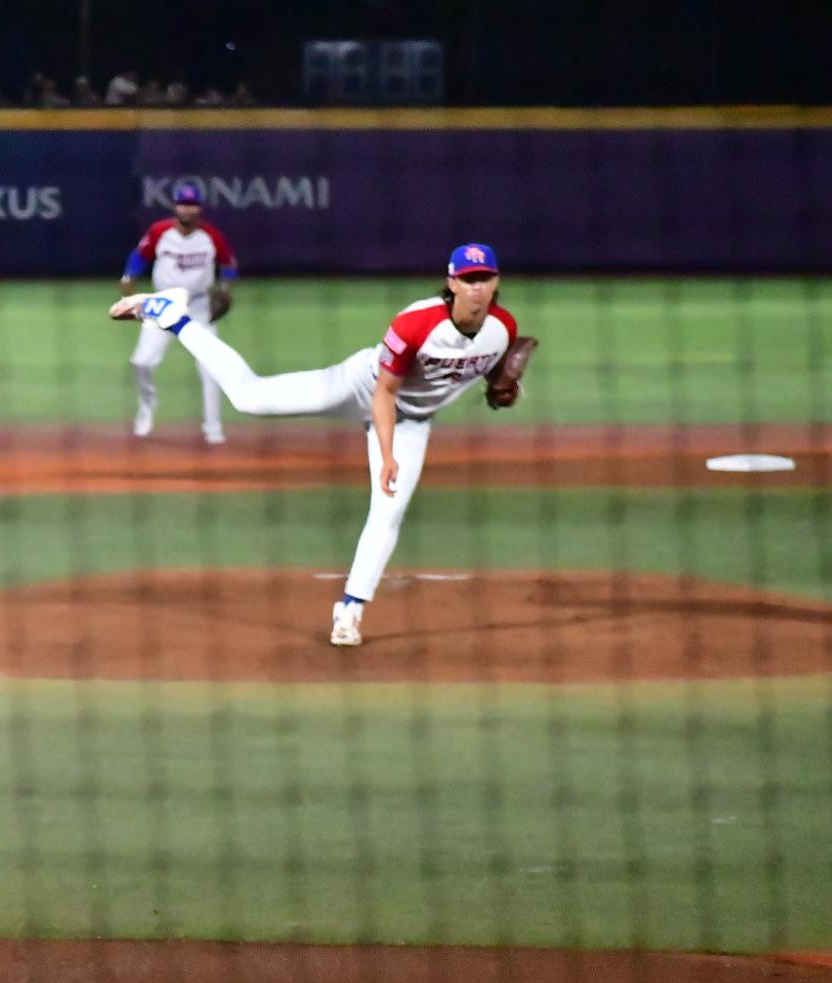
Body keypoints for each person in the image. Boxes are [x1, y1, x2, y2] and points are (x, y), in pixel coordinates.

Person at [114, 243, 525, 646]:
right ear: (451, 282)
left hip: (413, 422)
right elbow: (385, 393)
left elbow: (490, 373)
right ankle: (173, 316)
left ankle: (349, 612)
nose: (476, 287)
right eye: (468, 279)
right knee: (249, 398)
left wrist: (505, 391)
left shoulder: (502, 329)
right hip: (359, 387)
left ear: (496, 282)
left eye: (483, 278)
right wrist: (386, 457)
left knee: (389, 511)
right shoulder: (415, 323)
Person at [119, 181, 238, 444]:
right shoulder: (160, 231)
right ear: (175, 206)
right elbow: (140, 256)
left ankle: (213, 427)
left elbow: (229, 264)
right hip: (163, 306)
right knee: (141, 362)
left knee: (210, 368)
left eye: (192, 205)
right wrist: (129, 276)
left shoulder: (211, 236)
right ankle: (148, 406)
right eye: (183, 204)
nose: (187, 209)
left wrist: (226, 288)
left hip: (198, 309)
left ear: (199, 209)